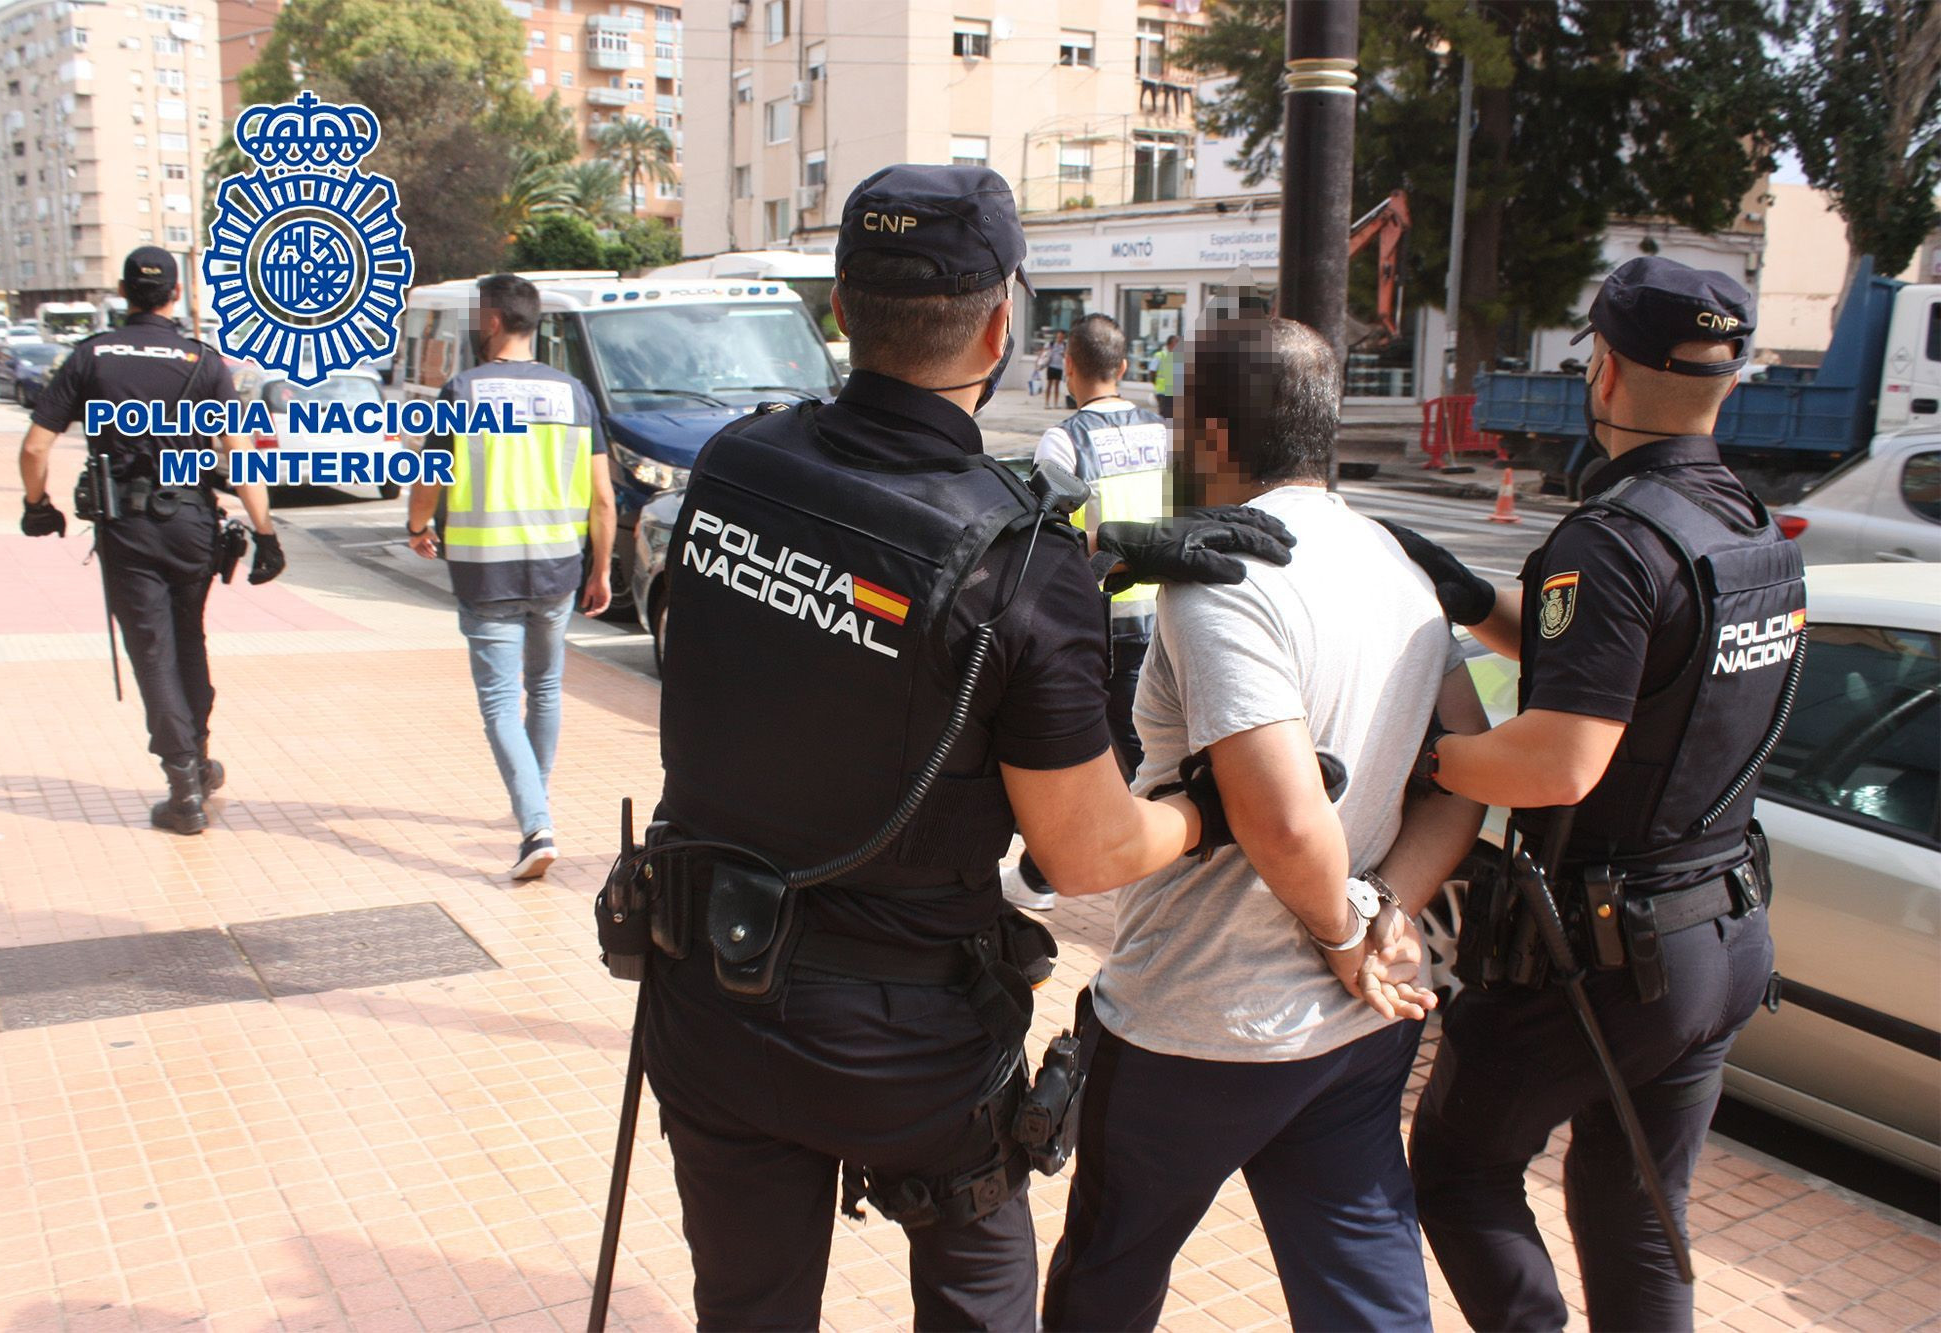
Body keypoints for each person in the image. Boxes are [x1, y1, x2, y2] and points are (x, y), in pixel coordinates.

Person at [637, 164, 1295, 1331]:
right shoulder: (1017, 565)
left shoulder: (733, 466)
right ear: (1003, 323)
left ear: (840, 306)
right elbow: (1087, 851)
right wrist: (1206, 804)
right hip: (910, 1052)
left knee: (744, 1310)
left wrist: (1092, 563)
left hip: (712, 994)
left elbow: (845, 626)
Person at [1039, 314, 1490, 1333]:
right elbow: (1462, 769)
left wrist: (1343, 931)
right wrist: (1386, 914)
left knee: (1105, 1281)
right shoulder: (1396, 566)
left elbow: (1279, 817)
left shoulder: (1218, 576)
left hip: (1193, 1019)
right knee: (1364, 1290)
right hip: (1353, 1028)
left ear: (1207, 435)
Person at [1390, 257, 1799, 1332]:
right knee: (1634, 1211)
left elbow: (1559, 758)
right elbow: (1636, 675)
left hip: (1604, 955)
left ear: (1603, 371)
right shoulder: (1748, 530)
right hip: (1718, 932)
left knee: (1457, 1165)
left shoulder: (1610, 540)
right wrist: (1475, 597)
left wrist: (1427, 759)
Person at [17, 245, 284, 835]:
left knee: (154, 652)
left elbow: (36, 447)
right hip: (192, 523)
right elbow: (238, 457)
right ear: (176, 295)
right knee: (189, 640)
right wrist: (265, 535)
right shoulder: (204, 361)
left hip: (129, 528)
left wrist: (38, 506)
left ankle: (183, 784)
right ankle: (200, 755)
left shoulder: (91, 356)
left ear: (123, 292)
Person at [406, 273, 613, 880]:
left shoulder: (464, 391)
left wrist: (418, 526)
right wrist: (600, 569)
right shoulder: (574, 393)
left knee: (501, 703)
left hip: (486, 575)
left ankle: (535, 826)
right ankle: (535, 797)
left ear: (492, 320)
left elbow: (431, 478)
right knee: (545, 689)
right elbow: (603, 499)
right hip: (556, 571)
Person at [1003, 312, 1170, 913]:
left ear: (1068, 366)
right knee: (1150, 749)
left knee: (1117, 758)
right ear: (1123, 368)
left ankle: (1058, 874)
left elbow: (1046, 538)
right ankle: (1043, 872)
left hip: (1106, 620)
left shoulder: (1064, 440)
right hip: (1171, 614)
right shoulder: (1163, 431)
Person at [1150, 332, 1178, 420]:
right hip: (1163, 392)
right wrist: (1156, 384)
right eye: (1176, 343)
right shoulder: (1160, 355)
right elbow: (1152, 371)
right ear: (1168, 345)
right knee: (1164, 415)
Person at [1041, 327, 1067, 408]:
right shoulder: (1051, 344)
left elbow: (1067, 355)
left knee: (1057, 385)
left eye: (1062, 337)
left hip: (1059, 367)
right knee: (1049, 384)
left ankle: (1056, 403)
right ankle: (1047, 403)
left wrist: (1064, 354)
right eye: (1059, 336)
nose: (1060, 338)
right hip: (1051, 366)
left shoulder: (1064, 345)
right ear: (1056, 336)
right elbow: (1044, 353)